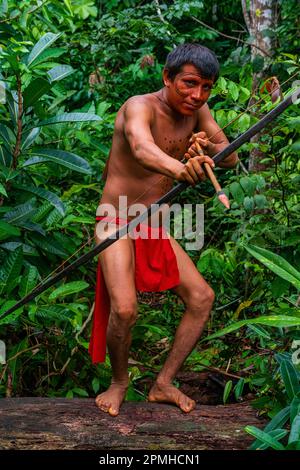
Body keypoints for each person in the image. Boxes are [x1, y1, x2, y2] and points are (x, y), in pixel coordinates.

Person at [89, 43, 238, 416]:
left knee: (202, 298)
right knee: (124, 310)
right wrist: (179, 168)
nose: (197, 95)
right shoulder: (138, 107)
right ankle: (119, 382)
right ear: (167, 77)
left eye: (206, 87)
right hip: (117, 219)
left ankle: (163, 383)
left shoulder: (198, 110)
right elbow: (141, 148)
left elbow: (231, 155)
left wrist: (206, 145)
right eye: (189, 84)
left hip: (154, 224)